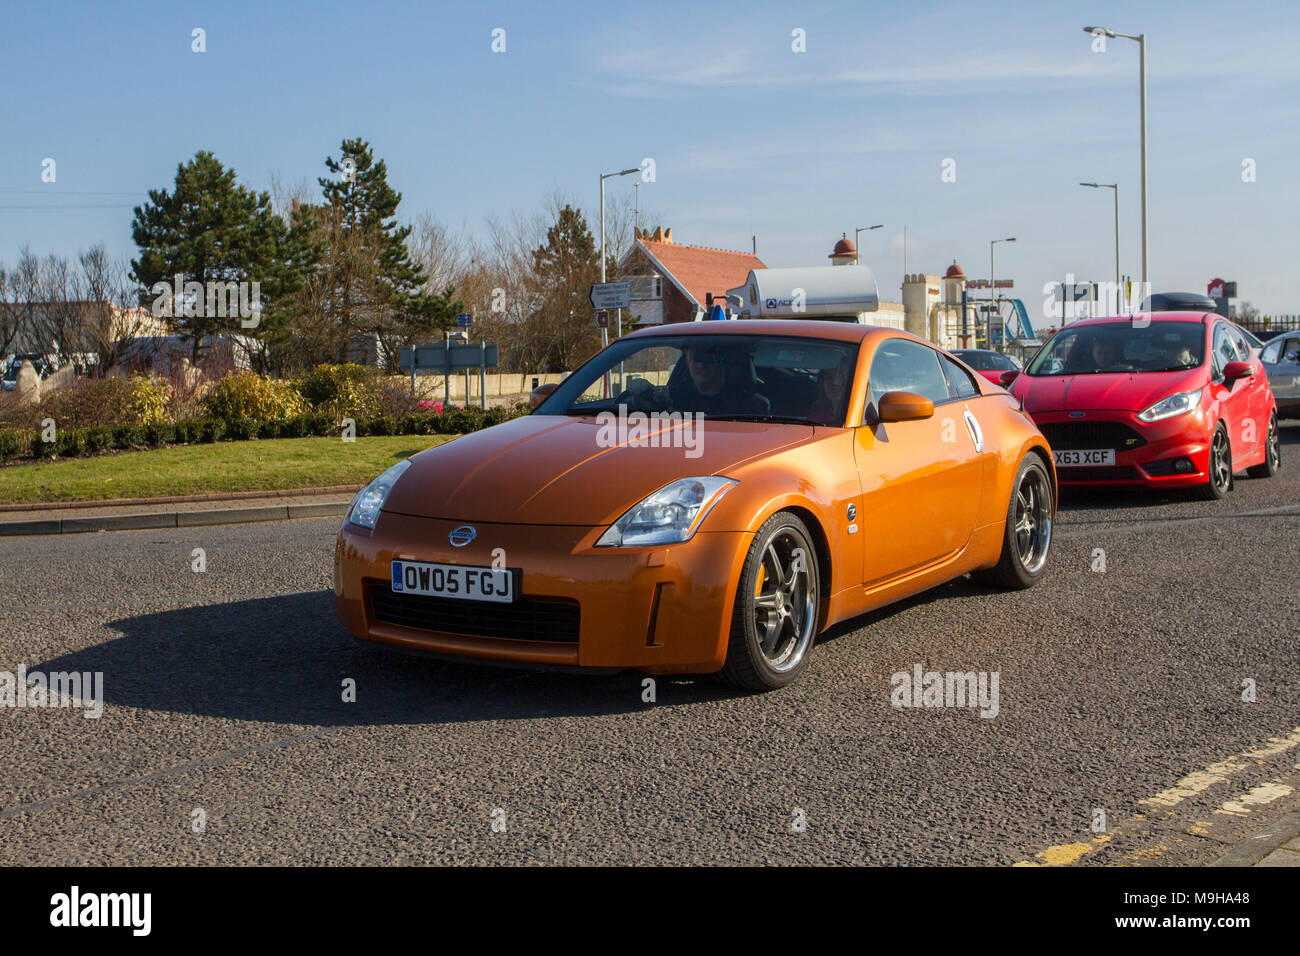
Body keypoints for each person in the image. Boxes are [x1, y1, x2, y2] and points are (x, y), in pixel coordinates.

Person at [670, 343, 770, 416]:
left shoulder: (746, 404)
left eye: (707, 358)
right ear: (687, 363)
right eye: (695, 359)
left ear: (723, 362)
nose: (701, 365)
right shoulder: (675, 401)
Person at [809, 357, 852, 424]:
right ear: (822, 384)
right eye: (829, 378)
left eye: (842, 377)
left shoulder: (858, 418)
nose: (835, 383)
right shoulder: (814, 420)